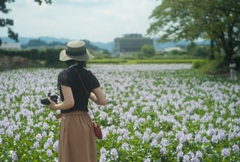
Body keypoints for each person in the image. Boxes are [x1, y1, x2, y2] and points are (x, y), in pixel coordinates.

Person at [48, 40, 107, 162]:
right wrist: (87, 93)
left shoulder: (65, 74)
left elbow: (69, 103)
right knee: (85, 156)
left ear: (67, 58)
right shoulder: (88, 74)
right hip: (85, 121)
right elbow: (102, 100)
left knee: (71, 157)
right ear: (83, 57)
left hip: (71, 122)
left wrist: (54, 106)